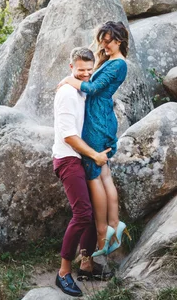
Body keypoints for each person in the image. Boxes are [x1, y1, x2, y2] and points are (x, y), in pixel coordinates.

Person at [58, 21, 131, 257]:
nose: (103, 44)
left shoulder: (118, 63)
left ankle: (102, 233)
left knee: (94, 175)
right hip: (102, 118)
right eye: (102, 40)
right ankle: (114, 224)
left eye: (107, 40)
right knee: (105, 174)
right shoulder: (112, 61)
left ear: (118, 40)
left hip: (98, 122)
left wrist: (71, 80)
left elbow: (93, 87)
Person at [52, 47, 114, 298]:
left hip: (83, 157)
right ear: (71, 68)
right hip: (69, 158)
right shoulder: (67, 93)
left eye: (90, 70)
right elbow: (68, 136)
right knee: (83, 213)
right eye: (80, 70)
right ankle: (63, 273)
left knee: (91, 212)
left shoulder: (81, 88)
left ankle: (86, 264)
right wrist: (95, 155)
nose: (86, 74)